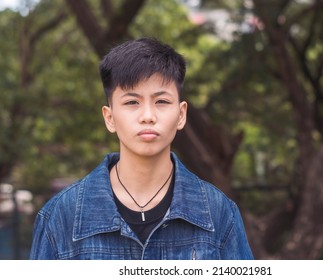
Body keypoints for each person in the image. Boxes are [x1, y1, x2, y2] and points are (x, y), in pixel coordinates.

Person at [29, 37, 254, 260]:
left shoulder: (219, 212)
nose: (148, 116)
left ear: (181, 114)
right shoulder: (61, 215)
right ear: (109, 118)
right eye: (131, 102)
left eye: (162, 102)